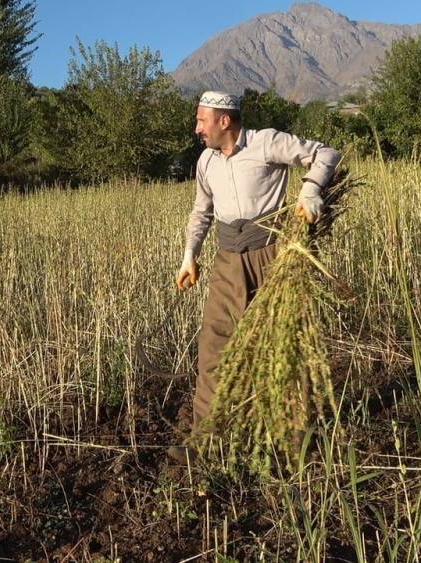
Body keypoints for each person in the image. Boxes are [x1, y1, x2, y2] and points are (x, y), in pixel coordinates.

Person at [167, 91, 341, 463]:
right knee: (213, 346)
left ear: (224, 121)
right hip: (228, 260)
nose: (197, 128)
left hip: (274, 257)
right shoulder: (205, 162)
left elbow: (326, 154)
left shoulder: (265, 143)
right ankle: (206, 438)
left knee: (284, 344)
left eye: (202, 120)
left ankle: (296, 441)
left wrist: (311, 191)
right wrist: (189, 256)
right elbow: (202, 212)